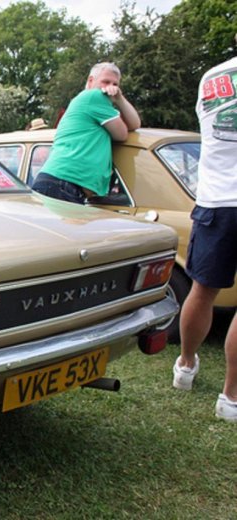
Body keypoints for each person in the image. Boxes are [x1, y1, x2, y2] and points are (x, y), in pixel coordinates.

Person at [173, 47, 237, 422]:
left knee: (202, 291)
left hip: (215, 200)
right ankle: (231, 397)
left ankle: (185, 365)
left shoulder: (211, 77)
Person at [31, 62, 141, 204]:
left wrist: (119, 98)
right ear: (90, 81)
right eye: (106, 82)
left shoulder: (91, 102)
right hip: (62, 184)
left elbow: (134, 124)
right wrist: (119, 100)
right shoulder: (94, 96)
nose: (111, 88)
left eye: (115, 84)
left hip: (59, 184)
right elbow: (122, 134)